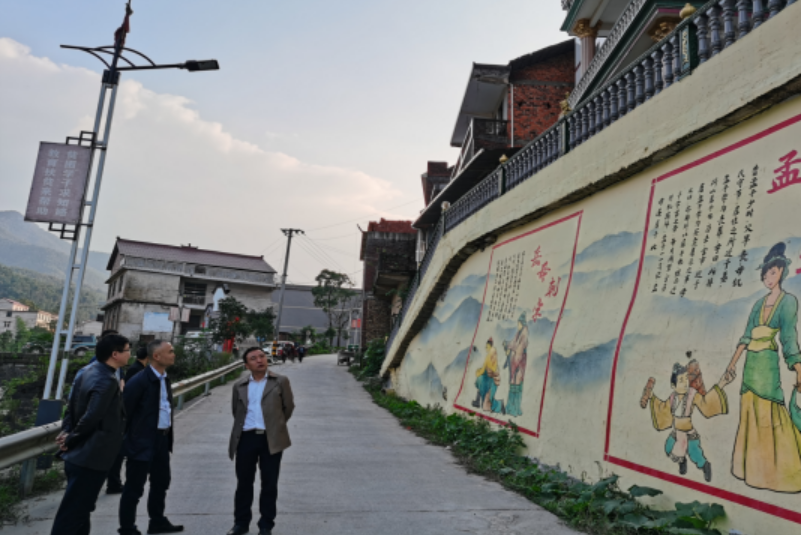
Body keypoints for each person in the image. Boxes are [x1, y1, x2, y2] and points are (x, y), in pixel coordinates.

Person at [725, 242, 801, 492]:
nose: (768, 278)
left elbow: (789, 338)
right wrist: (732, 364)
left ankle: (779, 472)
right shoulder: (758, 304)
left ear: (782, 271)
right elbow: (746, 337)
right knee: (750, 412)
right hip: (751, 365)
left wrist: (798, 368)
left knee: (771, 412)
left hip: (768, 364)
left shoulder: (788, 302)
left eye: (773, 272)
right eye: (765, 274)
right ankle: (752, 470)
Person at [50, 334, 129, 535]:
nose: (130, 354)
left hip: (79, 454)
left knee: (80, 510)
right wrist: (71, 438)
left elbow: (71, 407)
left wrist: (68, 431)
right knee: (74, 513)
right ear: (115, 354)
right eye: (127, 350)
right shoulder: (107, 380)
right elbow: (92, 416)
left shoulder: (86, 371)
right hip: (92, 454)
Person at [227, 347, 295, 535]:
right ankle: (241, 524)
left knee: (269, 484)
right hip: (246, 438)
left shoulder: (280, 381)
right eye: (253, 358)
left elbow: (288, 407)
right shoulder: (239, 386)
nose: (259, 360)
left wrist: (275, 425)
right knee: (244, 483)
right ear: (246, 365)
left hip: (271, 439)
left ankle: (266, 525)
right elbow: (236, 412)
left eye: (262, 356)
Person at [118, 340, 183, 534]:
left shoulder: (164, 378)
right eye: (170, 351)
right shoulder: (139, 381)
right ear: (156, 356)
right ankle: (127, 528)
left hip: (162, 440)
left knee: (161, 482)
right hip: (141, 442)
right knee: (134, 488)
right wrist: (127, 442)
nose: (174, 354)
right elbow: (125, 414)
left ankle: (157, 521)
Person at [641, 360, 732, 482]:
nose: (684, 383)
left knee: (695, 454)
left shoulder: (692, 394)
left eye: (685, 379)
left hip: (689, 433)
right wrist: (651, 396)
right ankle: (682, 461)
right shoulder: (672, 398)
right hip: (677, 432)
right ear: (673, 386)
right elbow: (663, 409)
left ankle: (705, 466)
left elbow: (706, 402)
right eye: (681, 380)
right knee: (669, 447)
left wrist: (722, 383)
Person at [107, 346, 150, 494]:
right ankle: (114, 483)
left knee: (120, 452)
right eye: (126, 350)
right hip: (124, 418)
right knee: (119, 453)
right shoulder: (136, 371)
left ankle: (115, 482)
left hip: (124, 417)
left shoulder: (134, 369)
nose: (128, 354)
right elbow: (130, 397)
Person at [502, 313, 529, 417]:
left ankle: (515, 408)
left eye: (519, 324)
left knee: (517, 384)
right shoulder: (518, 333)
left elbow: (519, 349)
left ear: (522, 323)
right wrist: (507, 344)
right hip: (515, 361)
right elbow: (513, 343)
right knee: (513, 384)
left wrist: (511, 350)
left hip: (520, 362)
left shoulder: (524, 335)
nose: (518, 325)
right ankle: (510, 407)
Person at [472, 338, 505, 414]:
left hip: (491, 381)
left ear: (490, 347)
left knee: (487, 406)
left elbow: (485, 369)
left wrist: (478, 372)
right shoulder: (492, 354)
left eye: (487, 347)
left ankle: (500, 405)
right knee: (479, 380)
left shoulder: (490, 356)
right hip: (489, 379)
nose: (485, 348)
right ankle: (477, 401)